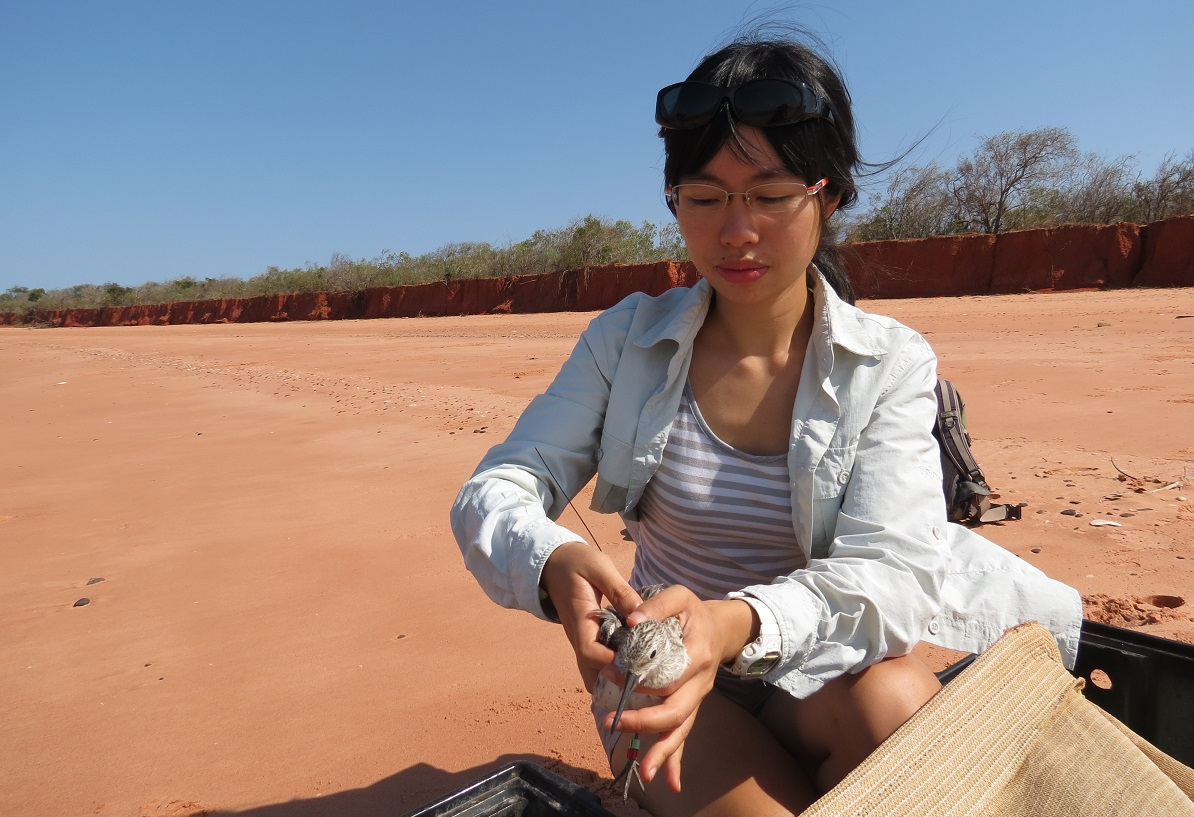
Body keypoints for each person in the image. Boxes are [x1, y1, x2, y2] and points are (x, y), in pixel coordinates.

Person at [451, 32, 1082, 816]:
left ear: (829, 195)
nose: (736, 231)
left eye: (771, 194)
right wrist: (551, 557)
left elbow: (892, 576)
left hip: (821, 666)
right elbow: (495, 489)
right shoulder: (624, 342)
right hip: (670, 681)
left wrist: (735, 623)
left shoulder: (888, 362)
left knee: (896, 703)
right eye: (704, 197)